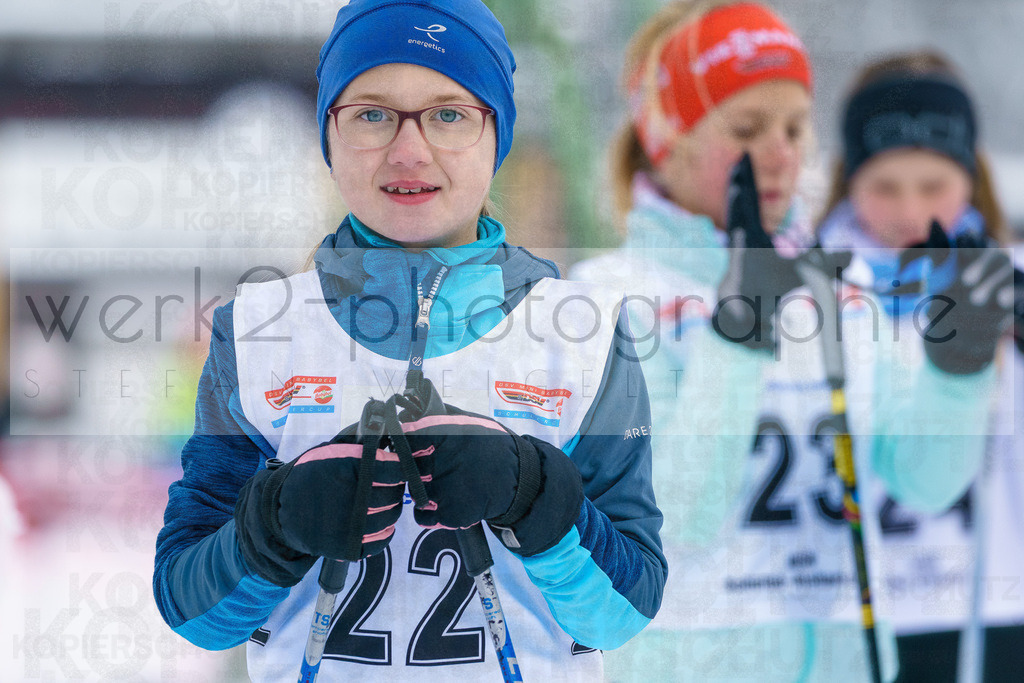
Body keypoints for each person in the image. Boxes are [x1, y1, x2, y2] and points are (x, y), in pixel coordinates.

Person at [152, 1, 667, 681]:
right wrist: (273, 525)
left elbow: (624, 611)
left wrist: (535, 493)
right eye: (372, 114)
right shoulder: (256, 333)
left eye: (448, 114)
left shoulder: (583, 336)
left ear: (496, 134)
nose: (409, 151)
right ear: (329, 134)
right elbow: (192, 610)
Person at [571, 4, 1007, 681]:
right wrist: (738, 335)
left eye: (796, 128)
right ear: (666, 140)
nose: (780, 154)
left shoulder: (842, 292)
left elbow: (923, 484)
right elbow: (675, 515)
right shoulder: (608, 301)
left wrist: (958, 366)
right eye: (747, 129)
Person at [816, 51, 1024, 683]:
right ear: (849, 181)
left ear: (971, 177)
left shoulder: (1008, 278)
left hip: (994, 601)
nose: (909, 209)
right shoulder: (810, 287)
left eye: (933, 186)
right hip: (852, 605)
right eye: (884, 187)